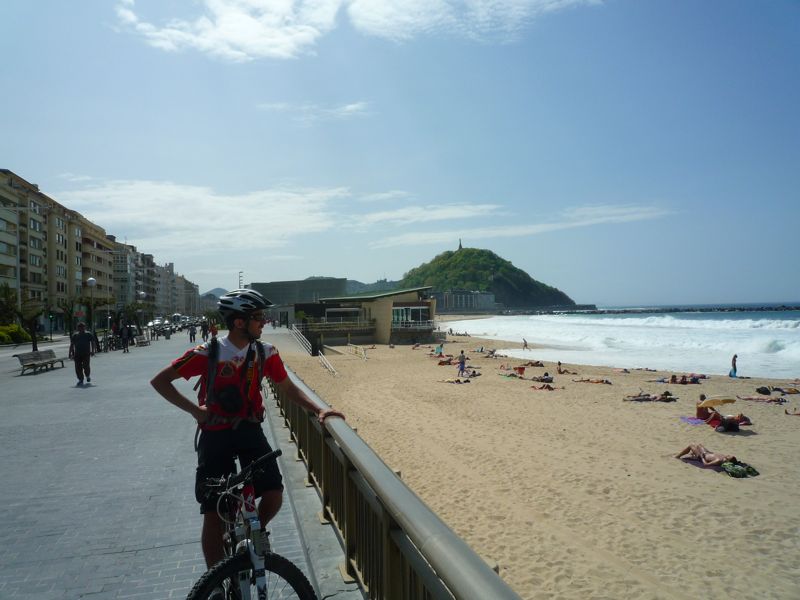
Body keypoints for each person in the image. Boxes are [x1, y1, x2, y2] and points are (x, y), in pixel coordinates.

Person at [150, 289, 344, 572]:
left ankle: (247, 533)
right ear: (239, 322)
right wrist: (196, 410)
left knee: (274, 493)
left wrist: (319, 410)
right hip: (215, 435)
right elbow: (160, 381)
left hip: (250, 431)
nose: (263, 321)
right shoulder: (209, 352)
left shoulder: (265, 352)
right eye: (257, 317)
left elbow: (288, 388)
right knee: (213, 513)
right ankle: (216, 580)